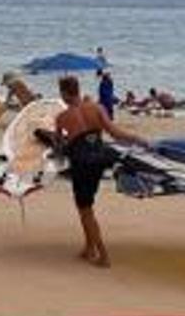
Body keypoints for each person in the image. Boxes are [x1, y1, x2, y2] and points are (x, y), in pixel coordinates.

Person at [55, 76, 149, 268]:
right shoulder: (97, 108)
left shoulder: (61, 118)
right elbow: (115, 133)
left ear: (64, 93)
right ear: (78, 90)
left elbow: (59, 148)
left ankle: (103, 255)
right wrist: (138, 139)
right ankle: (89, 248)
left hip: (82, 165)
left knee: (85, 210)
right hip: (100, 160)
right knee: (86, 207)